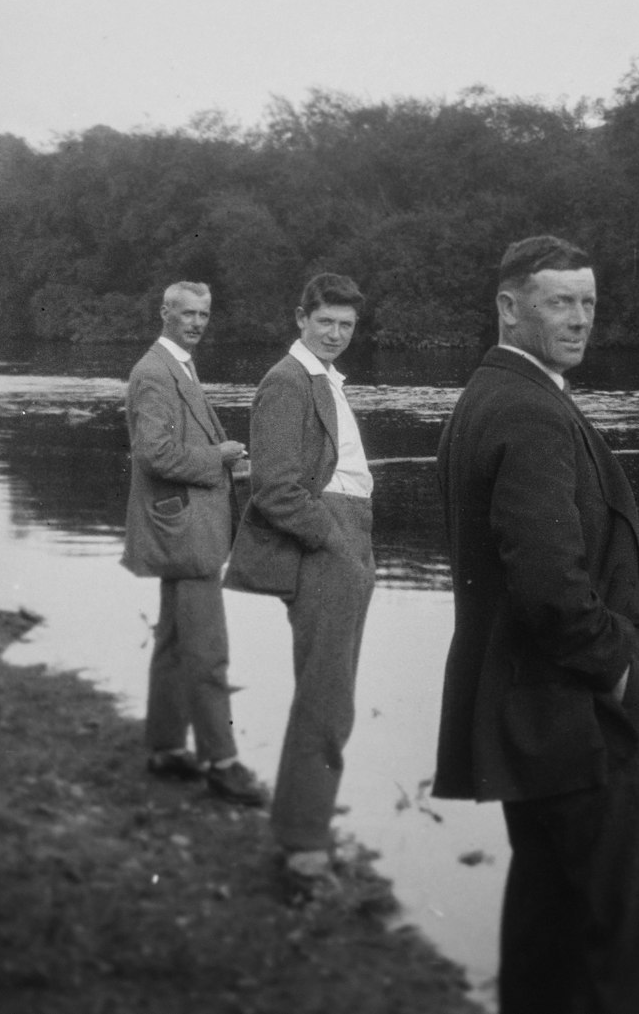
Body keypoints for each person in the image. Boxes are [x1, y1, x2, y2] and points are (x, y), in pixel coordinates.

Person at [433, 236, 639, 1014]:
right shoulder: (528, 408)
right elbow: (548, 587)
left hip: (537, 719)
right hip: (581, 717)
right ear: (510, 307)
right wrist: (621, 671)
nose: (579, 320)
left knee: (552, 928)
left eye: (588, 303)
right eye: (559, 302)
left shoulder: (494, 394)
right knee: (625, 942)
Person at [226, 273, 375, 901]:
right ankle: (305, 849)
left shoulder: (324, 380)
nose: (336, 334)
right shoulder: (286, 382)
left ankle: (301, 830)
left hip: (348, 536)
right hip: (328, 542)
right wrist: (337, 543)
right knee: (327, 696)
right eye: (326, 323)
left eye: (345, 325)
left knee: (329, 691)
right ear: (300, 319)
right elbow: (276, 488)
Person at [122, 280, 264, 806]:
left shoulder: (177, 364)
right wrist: (218, 458)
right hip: (184, 533)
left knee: (175, 642)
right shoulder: (156, 372)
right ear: (165, 312)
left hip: (184, 525)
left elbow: (178, 447)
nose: (197, 322)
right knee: (207, 651)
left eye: (204, 313)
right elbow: (153, 454)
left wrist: (232, 465)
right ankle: (222, 763)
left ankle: (163, 748)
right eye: (187, 313)